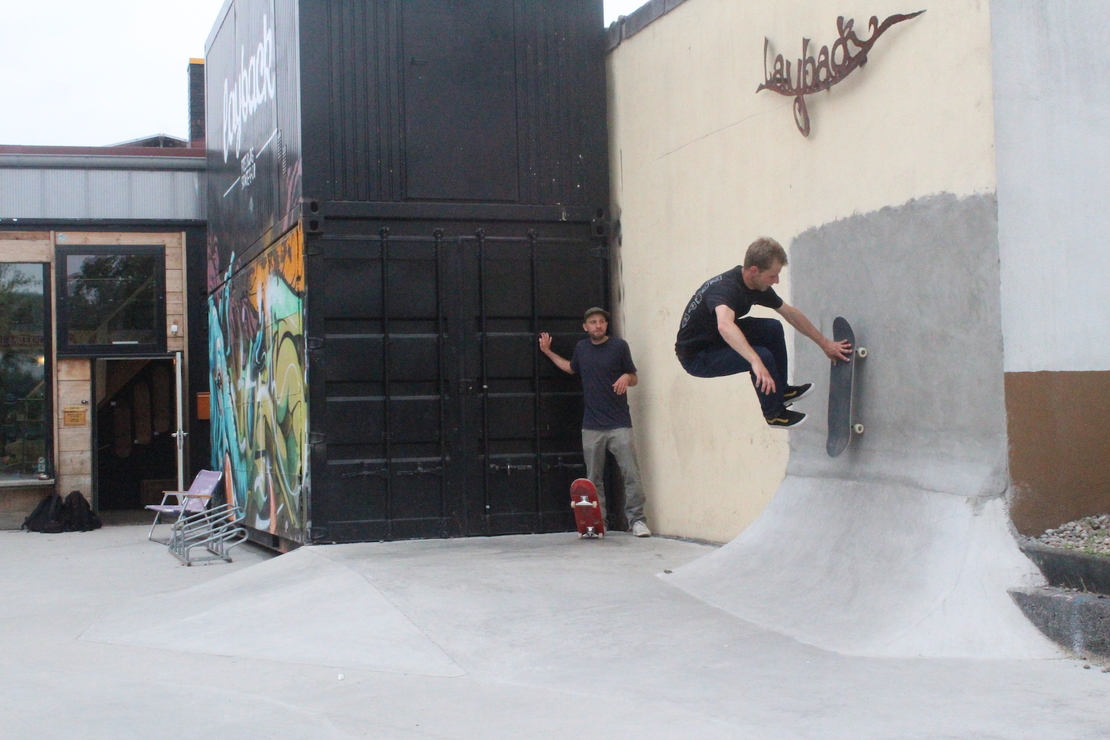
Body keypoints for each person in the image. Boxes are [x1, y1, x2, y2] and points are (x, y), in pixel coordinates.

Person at [674, 237, 852, 428]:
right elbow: (724, 325)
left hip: (716, 339)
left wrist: (825, 344)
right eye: (772, 276)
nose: (776, 281)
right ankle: (774, 414)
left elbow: (790, 314)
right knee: (761, 355)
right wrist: (755, 361)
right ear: (754, 271)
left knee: (772, 328)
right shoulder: (726, 289)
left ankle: (780, 391)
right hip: (697, 356)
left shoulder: (757, 286)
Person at [539, 308, 651, 537]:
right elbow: (571, 368)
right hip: (591, 426)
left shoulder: (619, 346)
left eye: (601, 322)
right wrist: (548, 352)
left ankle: (637, 520)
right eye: (593, 322)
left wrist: (625, 377)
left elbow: (634, 377)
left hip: (620, 424)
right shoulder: (581, 348)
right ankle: (597, 522)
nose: (598, 325)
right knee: (593, 480)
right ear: (585, 327)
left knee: (631, 474)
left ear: (606, 325)